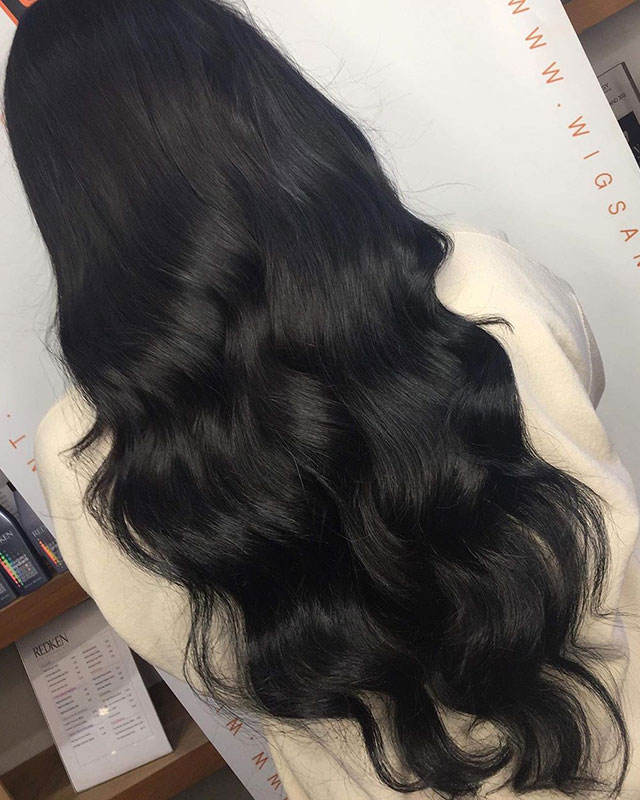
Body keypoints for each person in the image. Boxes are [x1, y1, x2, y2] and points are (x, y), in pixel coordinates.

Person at [4, 1, 640, 798]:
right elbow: (583, 401)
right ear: (261, 102)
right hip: (616, 740)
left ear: (70, 196)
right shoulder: (482, 281)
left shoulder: (79, 458)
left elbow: (180, 648)